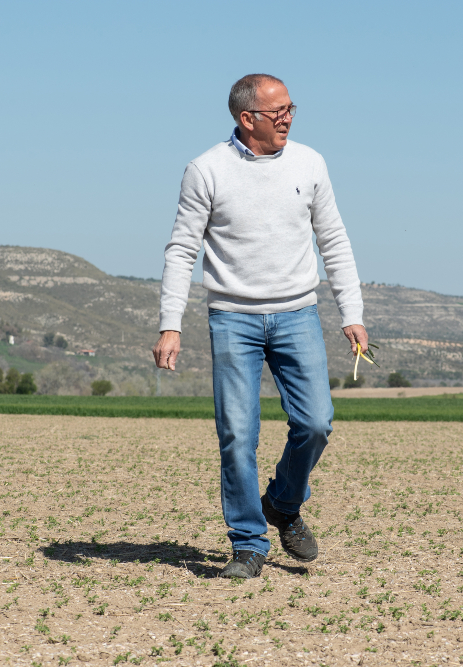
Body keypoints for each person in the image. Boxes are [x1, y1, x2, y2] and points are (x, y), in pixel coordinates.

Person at [153, 74, 367, 578]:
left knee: (316, 423)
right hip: (232, 319)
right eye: (278, 111)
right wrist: (170, 324)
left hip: (298, 314)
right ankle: (248, 543)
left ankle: (284, 504)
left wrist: (351, 312)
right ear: (247, 119)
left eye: (292, 108)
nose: (288, 118)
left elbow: (333, 239)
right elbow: (182, 249)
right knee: (237, 435)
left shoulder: (310, 163)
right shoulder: (205, 170)